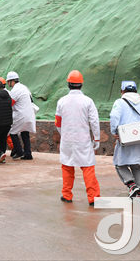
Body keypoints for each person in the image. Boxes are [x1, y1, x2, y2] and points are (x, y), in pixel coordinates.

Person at [55, 70, 101, 204]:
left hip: (67, 141)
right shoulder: (88, 101)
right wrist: (96, 138)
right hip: (83, 140)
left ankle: (67, 195)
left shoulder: (61, 101)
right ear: (81, 84)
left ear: (68, 84)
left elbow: (58, 123)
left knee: (67, 167)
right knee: (88, 168)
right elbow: (94, 121)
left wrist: (64, 134)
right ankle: (93, 198)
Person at [6, 71, 36, 160]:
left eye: (8, 81)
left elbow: (10, 103)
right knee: (25, 133)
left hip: (21, 115)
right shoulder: (24, 87)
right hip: (29, 114)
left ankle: (19, 151)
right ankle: (28, 154)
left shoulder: (15, 90)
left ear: (12, 81)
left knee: (12, 132)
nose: (8, 83)